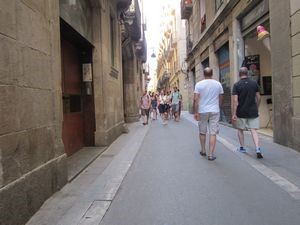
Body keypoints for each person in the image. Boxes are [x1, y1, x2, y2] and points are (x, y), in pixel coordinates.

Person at [231, 67, 263, 158]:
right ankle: (257, 148)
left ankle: (242, 147)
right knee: (254, 130)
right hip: (253, 111)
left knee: (240, 130)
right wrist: (256, 107)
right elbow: (259, 97)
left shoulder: (236, 85)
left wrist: (234, 113)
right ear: (247, 73)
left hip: (241, 112)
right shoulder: (254, 83)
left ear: (239, 74)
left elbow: (235, 101)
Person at [194, 67, 224, 161]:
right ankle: (210, 154)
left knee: (202, 132)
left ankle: (203, 150)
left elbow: (196, 100)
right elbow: (221, 97)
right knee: (213, 133)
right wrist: (218, 106)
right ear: (212, 74)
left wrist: (196, 112)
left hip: (202, 110)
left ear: (203, 74)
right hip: (214, 110)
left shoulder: (198, 84)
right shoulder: (218, 84)